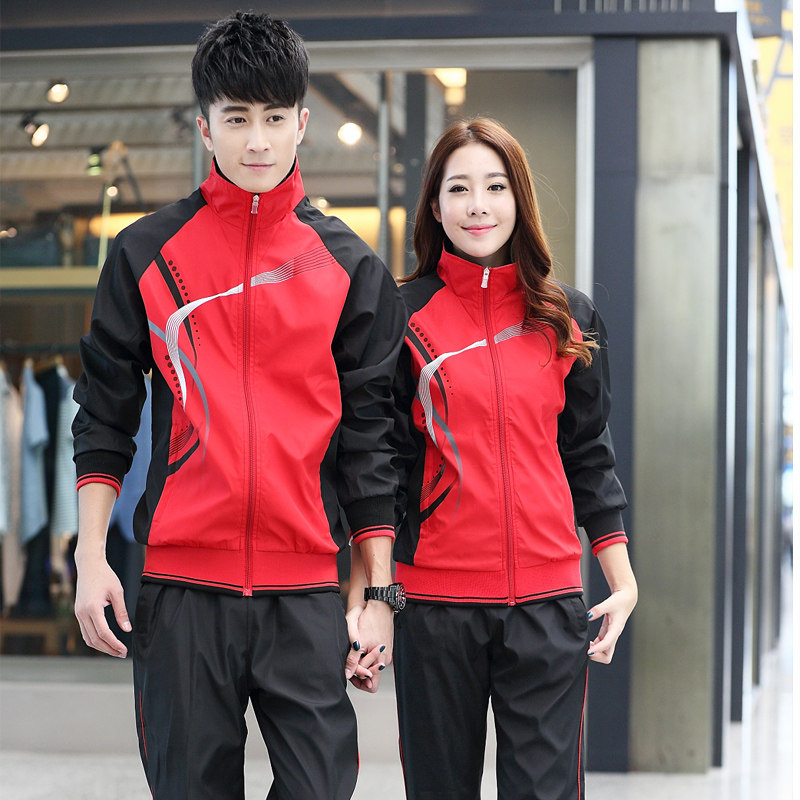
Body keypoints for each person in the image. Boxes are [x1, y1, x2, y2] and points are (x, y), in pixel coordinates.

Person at [71, 12, 404, 799]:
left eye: (275, 119)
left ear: (303, 124)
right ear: (205, 126)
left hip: (305, 593)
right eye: (237, 119)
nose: (258, 141)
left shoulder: (350, 266)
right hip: (182, 589)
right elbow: (105, 417)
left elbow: (371, 446)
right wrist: (91, 556)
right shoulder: (146, 253)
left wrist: (378, 596)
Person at [377, 117, 638, 800]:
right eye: (459, 189)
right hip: (436, 606)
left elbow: (588, 454)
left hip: (548, 605)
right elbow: (382, 468)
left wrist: (621, 579)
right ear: (435, 207)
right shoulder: (401, 317)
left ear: (519, 199)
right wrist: (374, 596)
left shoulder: (566, 316)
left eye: (495, 187)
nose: (478, 205)